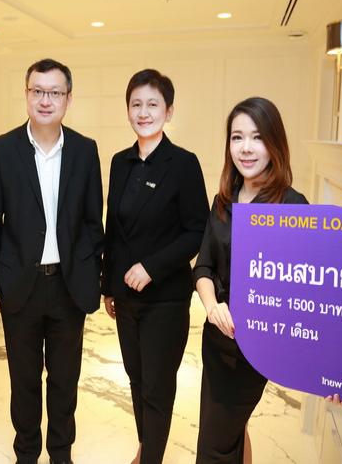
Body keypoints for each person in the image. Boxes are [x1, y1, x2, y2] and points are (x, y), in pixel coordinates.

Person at [0, 58, 103, 464]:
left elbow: (93, 221)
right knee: (25, 381)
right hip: (20, 287)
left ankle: (61, 454)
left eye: (54, 92)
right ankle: (26, 454)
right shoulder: (1, 150)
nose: (45, 100)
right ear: (26, 94)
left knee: (65, 382)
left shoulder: (85, 150)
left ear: (68, 98)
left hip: (69, 286)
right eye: (37, 91)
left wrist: (90, 271)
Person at [102, 69, 209, 464]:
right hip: (126, 298)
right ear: (127, 110)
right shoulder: (120, 162)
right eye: (136, 104)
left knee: (157, 389)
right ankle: (147, 448)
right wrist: (108, 286)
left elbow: (196, 232)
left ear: (169, 111)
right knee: (136, 380)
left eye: (152, 104)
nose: (143, 112)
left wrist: (151, 267)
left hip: (166, 299)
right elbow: (113, 229)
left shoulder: (183, 164)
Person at [192, 96, 308, 464]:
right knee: (227, 436)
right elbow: (203, 267)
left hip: (256, 350)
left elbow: (308, 291)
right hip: (216, 342)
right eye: (237, 137)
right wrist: (213, 307)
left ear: (274, 144)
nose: (245, 148)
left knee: (213, 447)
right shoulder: (223, 201)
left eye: (257, 137)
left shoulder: (292, 207)